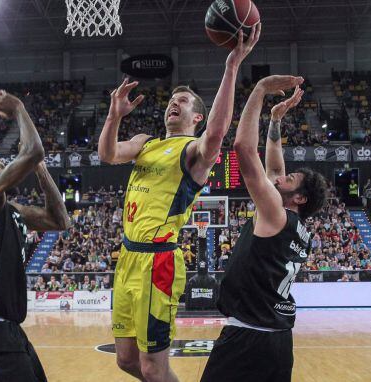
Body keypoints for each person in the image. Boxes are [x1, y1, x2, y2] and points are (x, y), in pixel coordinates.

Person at [99, 26, 260, 382]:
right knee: (125, 361)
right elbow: (108, 153)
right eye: (173, 99)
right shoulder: (145, 142)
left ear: (197, 118)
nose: (175, 102)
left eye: (184, 101)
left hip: (159, 263)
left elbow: (217, 134)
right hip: (127, 257)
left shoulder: (193, 152)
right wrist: (114, 115)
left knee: (153, 369)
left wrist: (232, 65)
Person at [201, 75, 328, 381]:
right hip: (279, 339)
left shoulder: (276, 215)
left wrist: (258, 91)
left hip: (248, 338)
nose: (281, 177)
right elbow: (274, 169)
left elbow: (244, 147)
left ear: (298, 197)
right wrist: (275, 120)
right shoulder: (298, 228)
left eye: (290, 179)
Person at [0, 90, 70, 381]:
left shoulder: (15, 210)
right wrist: (19, 108)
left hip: (7, 326)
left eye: (2, 161)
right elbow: (33, 150)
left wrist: (41, 172)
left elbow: (60, 221)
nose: (1, 162)